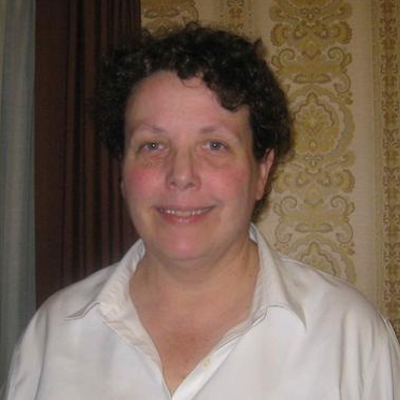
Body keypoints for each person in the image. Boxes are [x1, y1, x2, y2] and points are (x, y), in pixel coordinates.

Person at [2, 23, 400, 400]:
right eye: (152, 145)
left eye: (215, 145)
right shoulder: (52, 335)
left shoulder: (351, 340)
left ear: (262, 171)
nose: (181, 175)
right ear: (123, 171)